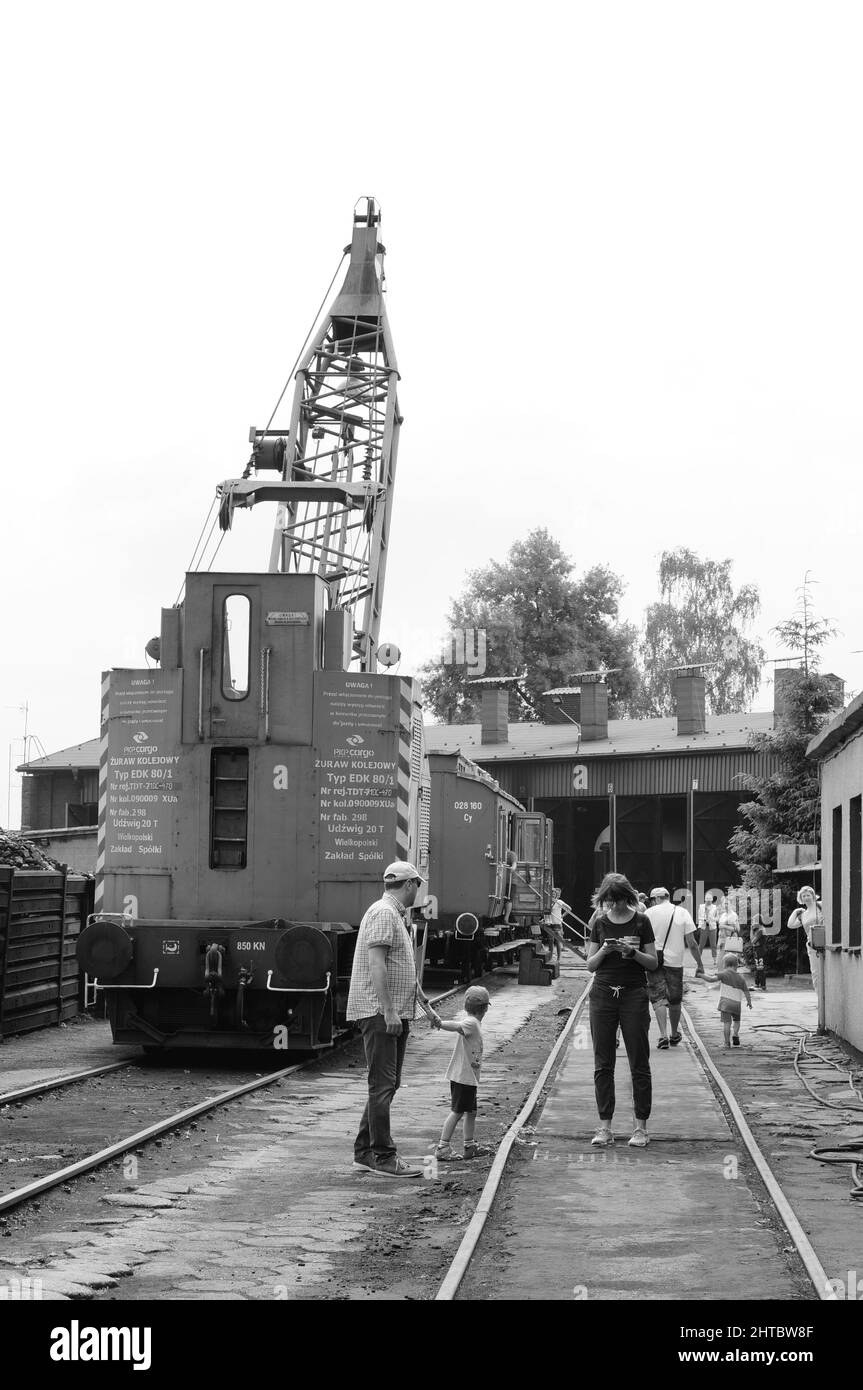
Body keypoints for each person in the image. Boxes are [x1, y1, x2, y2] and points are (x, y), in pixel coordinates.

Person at [347, 860, 436, 1178]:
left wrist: (424, 1004)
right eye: (418, 885)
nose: (419, 891)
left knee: (386, 1084)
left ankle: (364, 1152)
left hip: (393, 1011)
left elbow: (403, 968)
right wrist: (387, 1010)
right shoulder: (384, 913)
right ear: (409, 884)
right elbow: (378, 964)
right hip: (382, 1013)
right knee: (382, 1085)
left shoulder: (394, 915)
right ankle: (384, 1156)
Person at [586, 872, 657, 1148]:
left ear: (628, 897)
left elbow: (652, 963)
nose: (614, 906)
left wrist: (632, 953)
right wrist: (605, 951)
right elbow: (590, 965)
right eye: (610, 900)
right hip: (603, 994)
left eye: (618, 900)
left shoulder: (642, 921)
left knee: (638, 1060)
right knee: (603, 1062)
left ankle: (641, 1127)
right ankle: (605, 1127)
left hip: (634, 994)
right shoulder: (600, 923)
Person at [428, 985, 493, 1161]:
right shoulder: (471, 1022)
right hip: (463, 1077)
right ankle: (443, 1146)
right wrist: (440, 1023)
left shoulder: (474, 1023)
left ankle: (469, 1145)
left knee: (471, 1111)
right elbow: (457, 1026)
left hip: (468, 1078)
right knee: (457, 1111)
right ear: (486, 1008)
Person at [645, 886, 703, 1049]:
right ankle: (674, 1033)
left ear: (655, 899)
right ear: (668, 897)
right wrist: (700, 964)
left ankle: (662, 1035)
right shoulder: (682, 912)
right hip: (676, 962)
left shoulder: (648, 914)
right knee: (675, 999)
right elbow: (691, 943)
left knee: (658, 997)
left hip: (654, 960)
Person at [706, 951, 752, 1047]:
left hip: (726, 1004)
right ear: (736, 965)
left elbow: (711, 979)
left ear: (725, 964)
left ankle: (727, 1043)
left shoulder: (723, 974)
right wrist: (749, 1002)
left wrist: (701, 975)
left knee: (727, 1023)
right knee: (737, 1021)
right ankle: (735, 1034)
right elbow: (746, 991)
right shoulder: (741, 978)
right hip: (736, 1004)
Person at [787, 885, 823, 993]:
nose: (806, 897)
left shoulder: (821, 905)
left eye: (808, 895)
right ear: (801, 899)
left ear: (813, 896)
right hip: (812, 946)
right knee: (816, 973)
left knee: (828, 971)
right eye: (804, 896)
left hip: (825, 942)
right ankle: (819, 998)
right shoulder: (803, 915)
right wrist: (795, 911)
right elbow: (790, 924)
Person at [541, 885, 571, 963]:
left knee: (558, 941)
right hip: (549, 923)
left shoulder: (559, 902)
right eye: (552, 894)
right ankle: (550, 957)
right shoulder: (547, 902)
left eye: (554, 894)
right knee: (550, 941)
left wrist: (562, 916)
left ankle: (558, 959)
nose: (553, 895)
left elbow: (569, 909)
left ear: (556, 895)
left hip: (557, 923)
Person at [716, 892, 743, 971]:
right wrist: (719, 941)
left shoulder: (733, 915)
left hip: (730, 940)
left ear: (731, 904)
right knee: (720, 962)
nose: (725, 905)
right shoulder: (723, 915)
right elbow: (720, 929)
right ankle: (722, 979)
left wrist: (724, 926)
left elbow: (737, 929)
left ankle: (731, 979)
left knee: (730, 962)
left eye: (727, 903)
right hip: (722, 940)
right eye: (724, 904)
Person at [697, 892, 720, 964]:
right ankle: (698, 959)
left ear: (712, 899)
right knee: (701, 944)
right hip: (704, 927)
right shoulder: (701, 906)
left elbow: (717, 918)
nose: (708, 900)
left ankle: (715, 960)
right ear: (704, 899)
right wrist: (704, 919)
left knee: (713, 944)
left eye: (710, 898)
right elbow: (699, 917)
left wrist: (712, 919)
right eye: (707, 898)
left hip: (712, 927)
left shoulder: (715, 907)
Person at [750, 920, 768, 992]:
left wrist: (751, 929)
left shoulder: (760, 930)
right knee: (758, 967)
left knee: (760, 967)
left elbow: (752, 941)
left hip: (759, 950)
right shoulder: (759, 930)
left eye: (754, 921)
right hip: (758, 950)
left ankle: (763, 985)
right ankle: (757, 984)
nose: (753, 923)